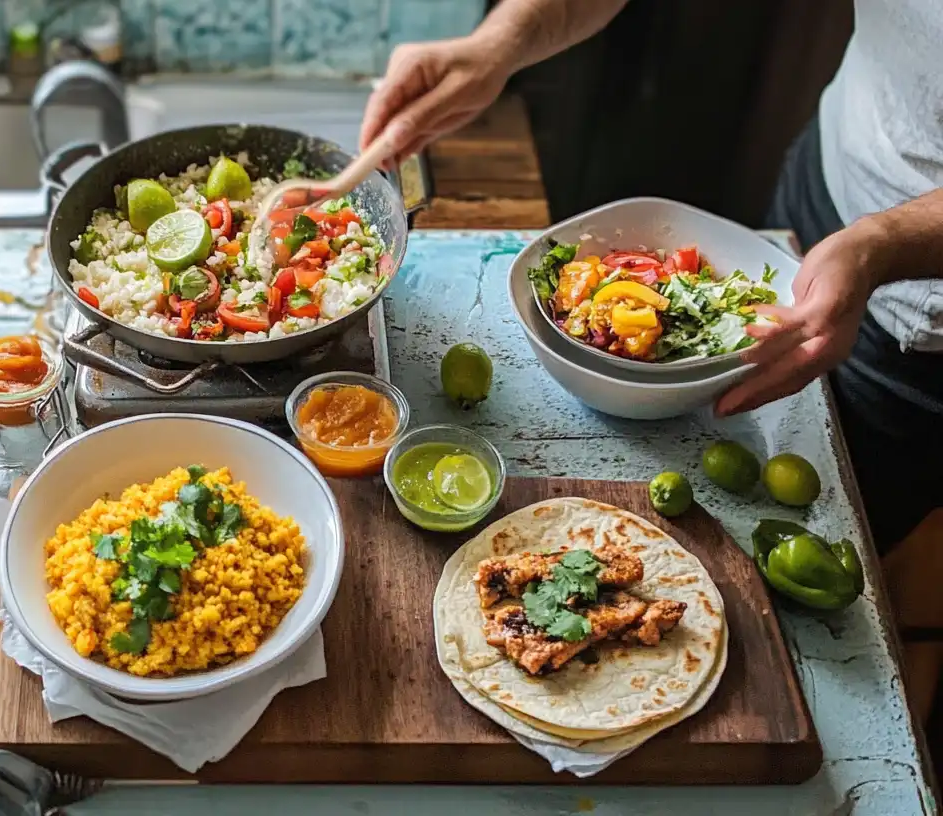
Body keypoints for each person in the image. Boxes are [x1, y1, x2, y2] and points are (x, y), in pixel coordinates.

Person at [361, 0, 943, 552]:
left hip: (920, 339)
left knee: (849, 544)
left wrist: (884, 243)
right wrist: (496, 44)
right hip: (836, 173)